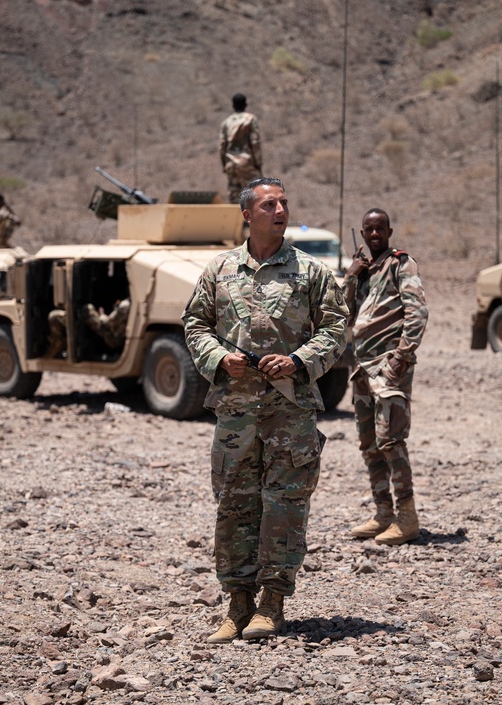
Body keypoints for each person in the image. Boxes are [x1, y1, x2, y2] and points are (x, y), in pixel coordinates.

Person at [183, 177, 348, 643]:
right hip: (235, 413)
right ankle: (236, 605)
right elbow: (195, 323)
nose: (280, 210)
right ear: (247, 214)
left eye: (284, 203)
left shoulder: (310, 272)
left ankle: (272, 604)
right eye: (269, 204)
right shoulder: (219, 270)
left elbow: (337, 329)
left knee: (284, 507)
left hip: (289, 412)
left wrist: (299, 361)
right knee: (234, 507)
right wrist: (218, 359)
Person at [344, 209, 429, 545]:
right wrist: (351, 275)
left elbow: (417, 311)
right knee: (370, 444)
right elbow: (341, 314)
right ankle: (383, 514)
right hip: (362, 370)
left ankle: (407, 519)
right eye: (369, 229)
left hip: (388, 368)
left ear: (390, 231)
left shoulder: (400, 264)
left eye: (380, 228)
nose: (375, 234)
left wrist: (402, 357)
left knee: (392, 442)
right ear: (363, 234)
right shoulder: (365, 271)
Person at [219, 93, 263, 205]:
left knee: (235, 199)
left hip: (231, 165)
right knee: (254, 197)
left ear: (233, 105)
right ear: (245, 104)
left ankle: (236, 221)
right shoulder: (251, 119)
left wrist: (224, 164)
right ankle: (251, 222)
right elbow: (255, 142)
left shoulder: (226, 122)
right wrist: (258, 162)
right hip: (247, 163)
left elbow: (222, 146)